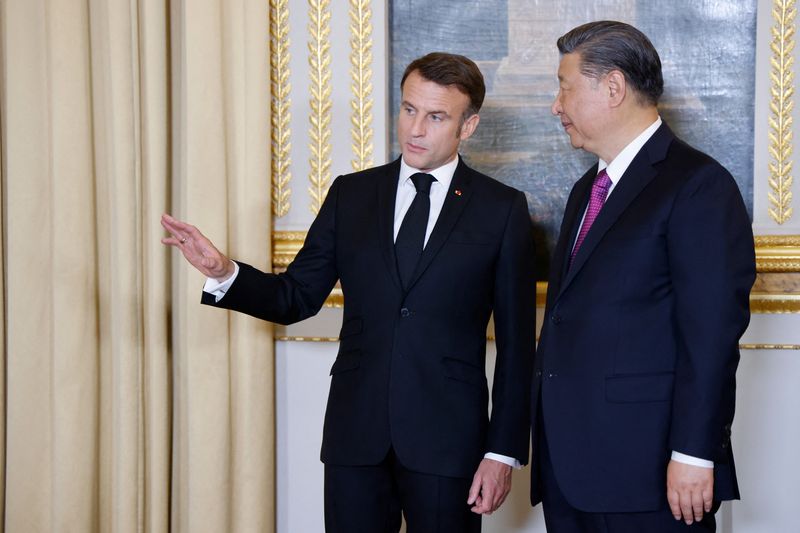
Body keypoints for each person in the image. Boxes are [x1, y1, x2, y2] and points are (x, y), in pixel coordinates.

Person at [162, 52, 537, 533]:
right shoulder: (351, 194)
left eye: (436, 116)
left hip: (449, 442)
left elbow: (516, 348)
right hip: (354, 438)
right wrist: (224, 270)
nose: (415, 128)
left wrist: (501, 450)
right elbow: (295, 297)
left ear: (468, 126)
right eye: (408, 109)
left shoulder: (501, 210)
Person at [531, 21, 756, 532]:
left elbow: (711, 337)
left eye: (564, 87)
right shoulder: (586, 190)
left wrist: (696, 455)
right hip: (570, 471)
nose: (555, 105)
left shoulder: (698, 186)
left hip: (650, 474)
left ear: (612, 87)